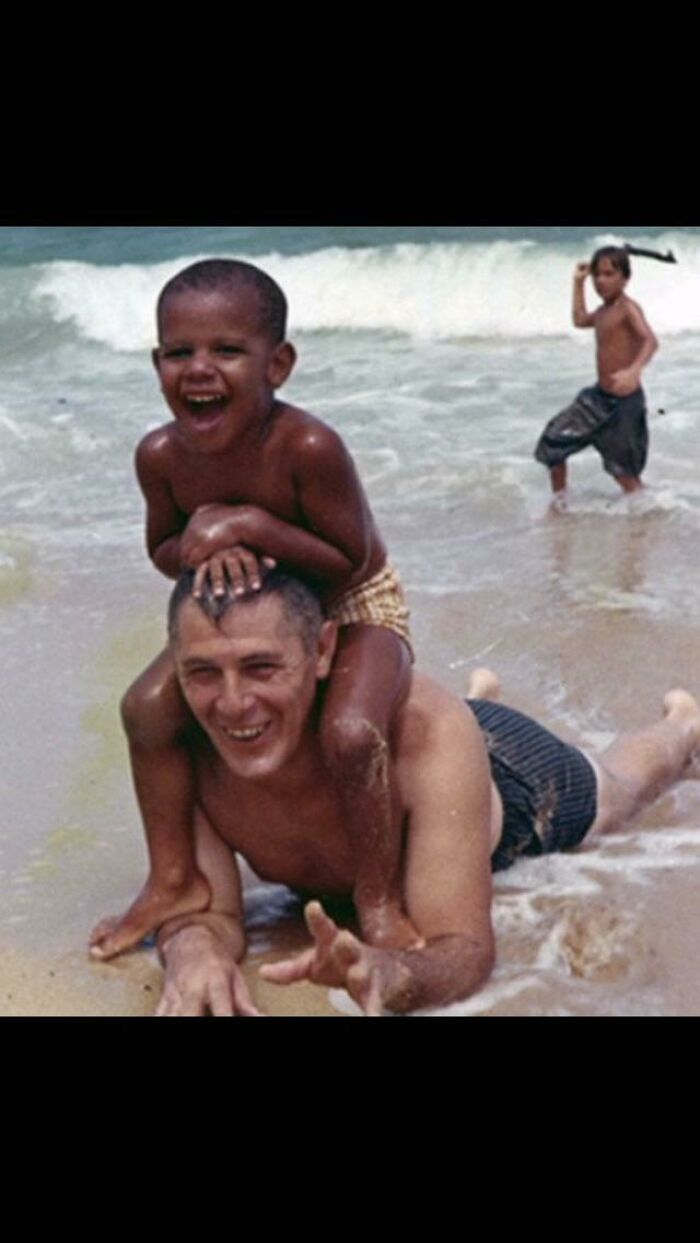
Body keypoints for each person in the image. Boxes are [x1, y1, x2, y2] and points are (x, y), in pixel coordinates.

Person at [153, 567, 700, 1016]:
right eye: (202, 672)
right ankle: (479, 696)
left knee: (618, 794)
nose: (231, 703)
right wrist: (193, 953)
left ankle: (680, 727)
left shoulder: (425, 738)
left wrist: (393, 975)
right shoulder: (185, 750)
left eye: (260, 667)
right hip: (431, 749)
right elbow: (205, 910)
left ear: (322, 651)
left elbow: (463, 949)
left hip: (509, 776)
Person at [90, 258, 416, 962]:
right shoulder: (160, 456)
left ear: (279, 363)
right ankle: (174, 876)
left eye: (228, 351)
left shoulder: (306, 446)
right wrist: (204, 540)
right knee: (146, 708)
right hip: (248, 616)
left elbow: (350, 558)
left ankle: (379, 898)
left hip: (354, 603)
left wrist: (246, 524)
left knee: (354, 731)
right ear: (156, 364)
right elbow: (163, 548)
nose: (200, 369)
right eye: (180, 352)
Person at [534, 245, 659, 505]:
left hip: (624, 405)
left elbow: (650, 341)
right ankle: (559, 504)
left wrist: (633, 370)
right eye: (597, 275)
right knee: (554, 442)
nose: (601, 281)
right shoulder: (603, 311)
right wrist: (578, 283)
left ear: (625, 278)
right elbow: (579, 319)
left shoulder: (627, 309)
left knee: (624, 474)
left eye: (609, 274)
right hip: (597, 400)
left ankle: (647, 518)